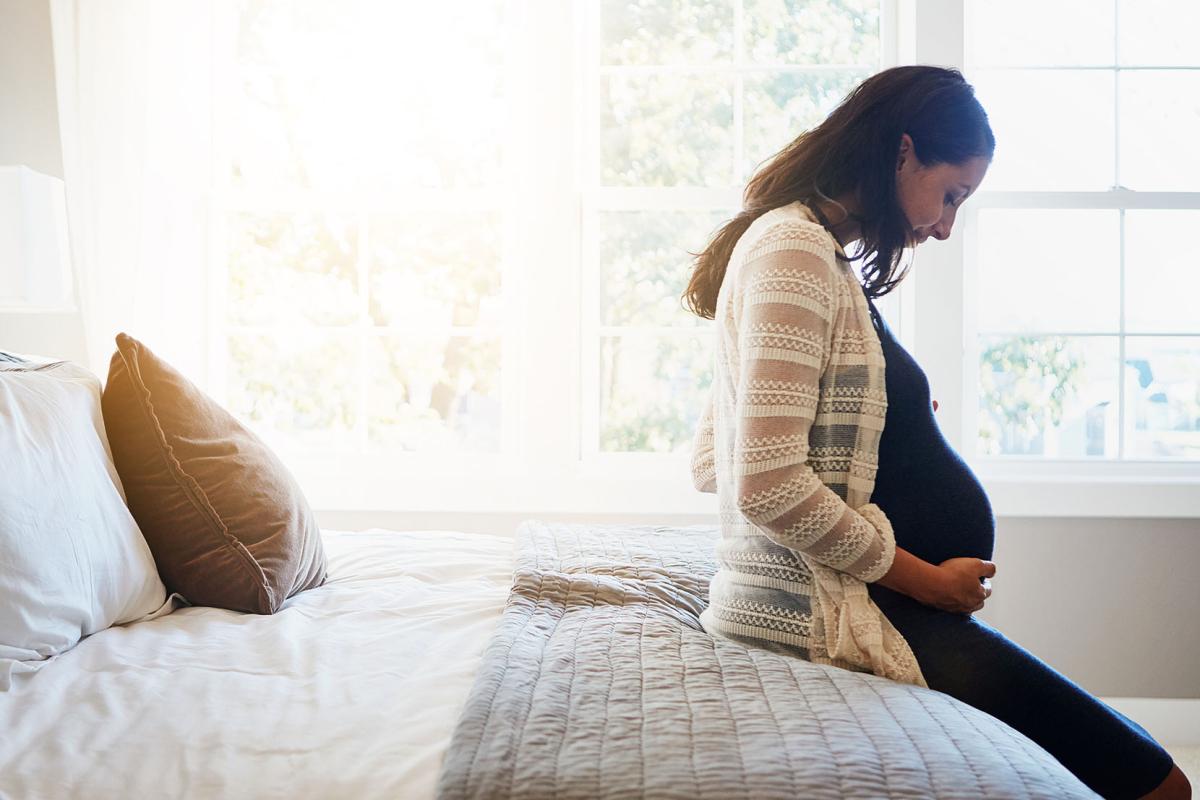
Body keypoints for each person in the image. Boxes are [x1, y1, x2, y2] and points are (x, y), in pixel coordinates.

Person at [683, 65, 1190, 800]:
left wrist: (885, 423)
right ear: (902, 153)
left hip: (882, 602)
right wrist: (929, 580)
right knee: (1160, 784)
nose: (947, 225)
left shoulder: (814, 251)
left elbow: (718, 454)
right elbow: (759, 482)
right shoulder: (792, 253)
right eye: (950, 194)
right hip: (847, 614)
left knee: (1142, 763)